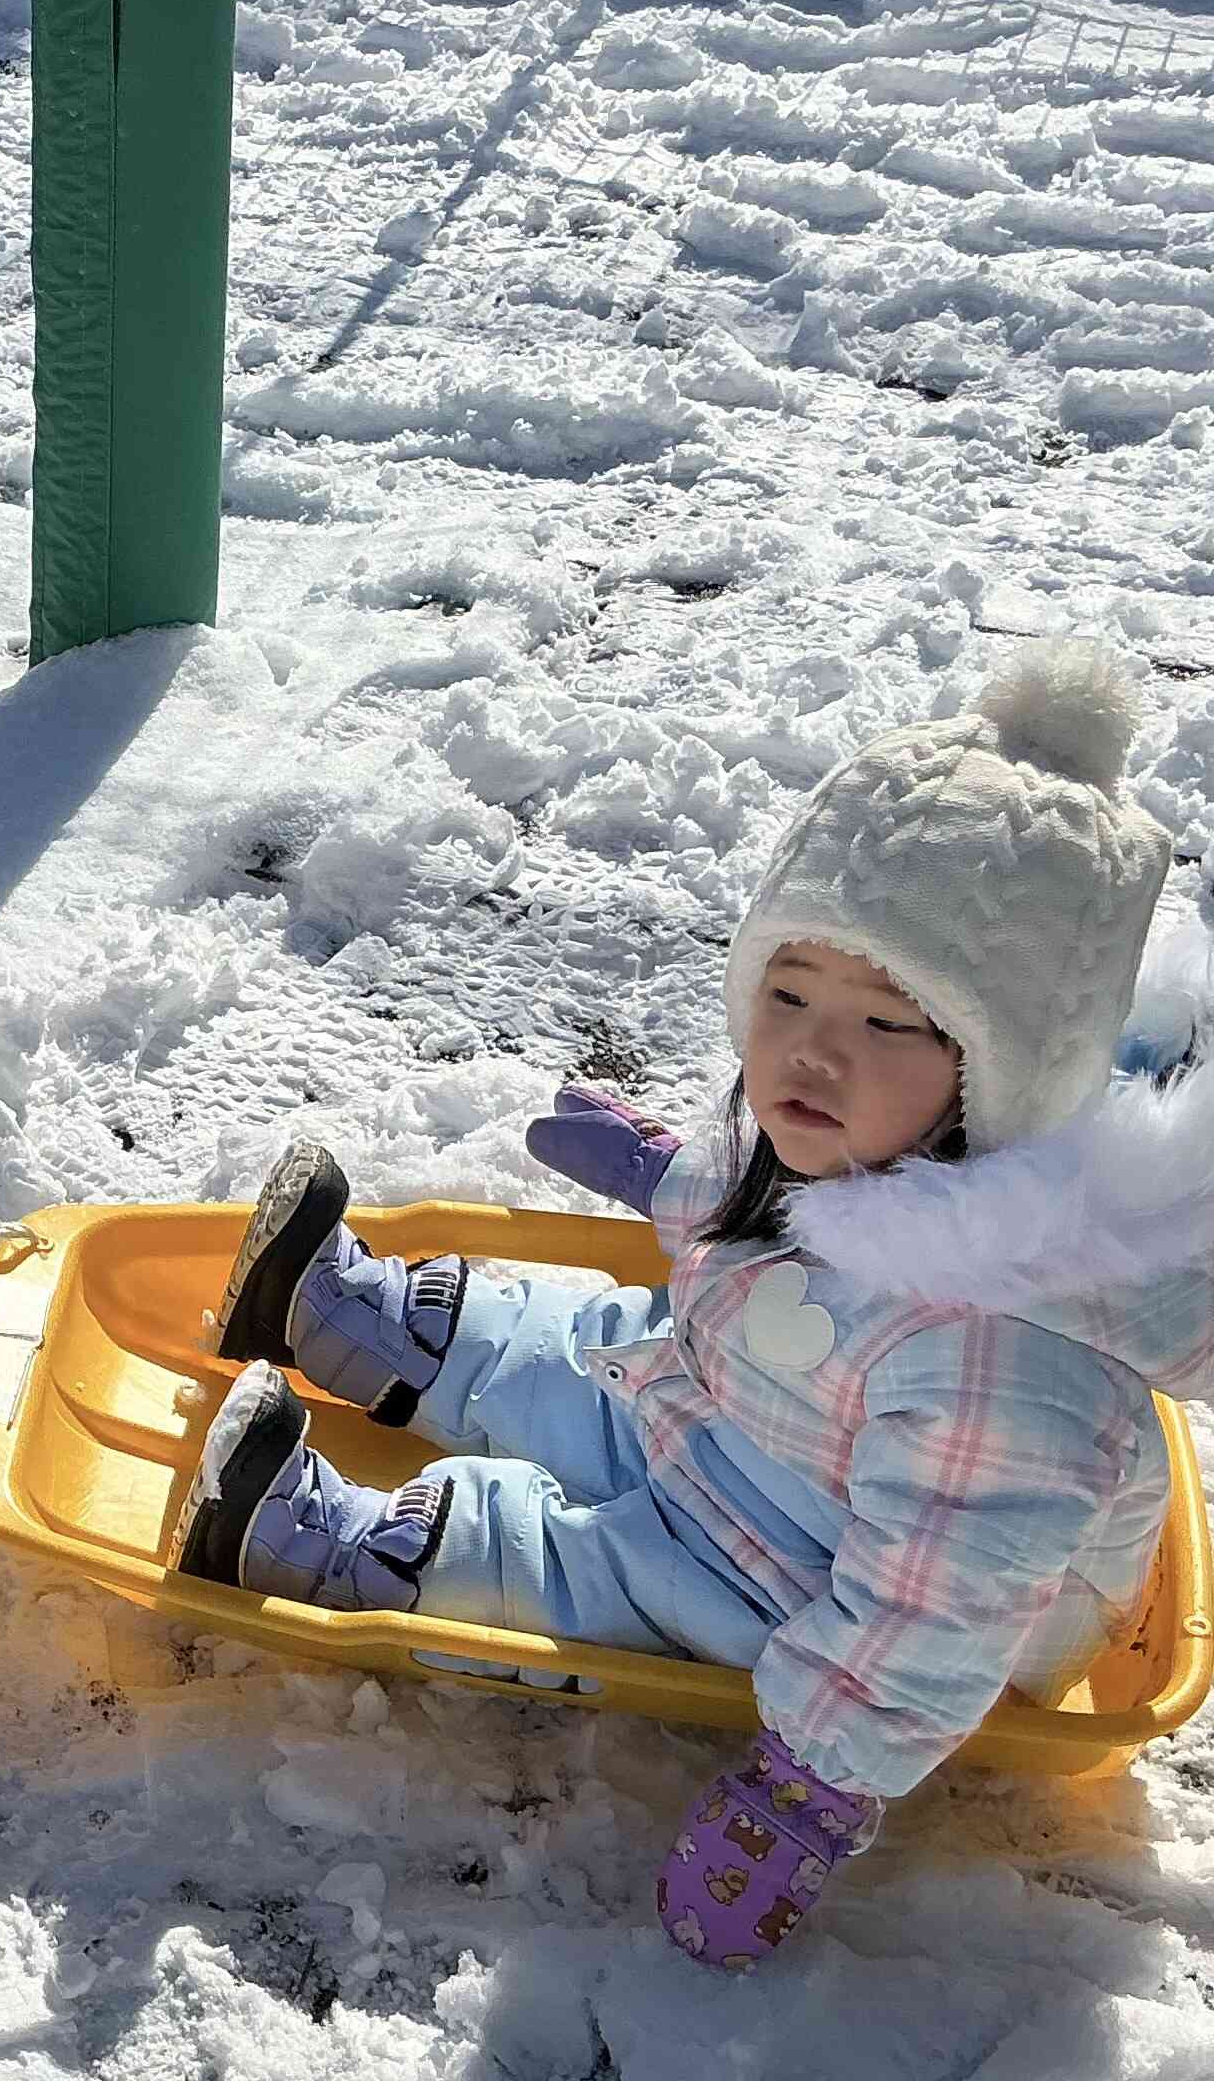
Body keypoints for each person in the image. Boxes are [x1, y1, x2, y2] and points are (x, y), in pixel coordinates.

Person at [173, 638, 1212, 1970]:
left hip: (847, 1577)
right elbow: (780, 1230)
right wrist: (677, 1174)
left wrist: (813, 1791)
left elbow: (931, 1615)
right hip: (767, 1405)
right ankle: (351, 1317)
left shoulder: (1008, 1358)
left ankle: (338, 1547)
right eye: (785, 992)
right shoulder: (866, 1129)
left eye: (891, 1023)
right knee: (591, 1342)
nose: (813, 1049)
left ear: (1002, 1076)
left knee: (603, 1564)